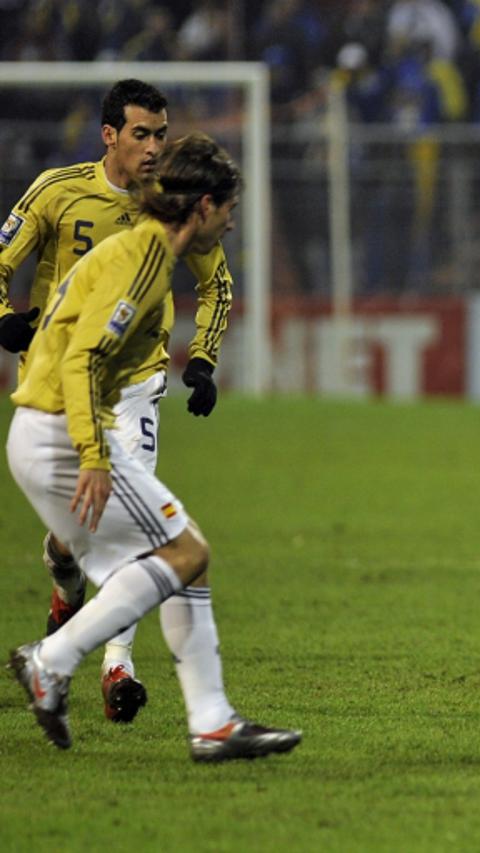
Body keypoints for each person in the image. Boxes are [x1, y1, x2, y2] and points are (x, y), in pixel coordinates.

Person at [6, 132, 301, 762]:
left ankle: (212, 721)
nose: (230, 221)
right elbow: (83, 358)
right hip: (58, 433)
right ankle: (52, 661)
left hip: (54, 429)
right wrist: (92, 454)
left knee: (183, 552)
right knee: (185, 551)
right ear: (201, 208)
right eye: (227, 208)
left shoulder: (140, 250)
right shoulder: (142, 263)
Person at [0, 79, 234, 725]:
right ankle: (61, 618)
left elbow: (217, 285)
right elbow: (1, 261)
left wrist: (205, 357)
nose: (155, 146)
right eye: (142, 133)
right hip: (64, 385)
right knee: (83, 543)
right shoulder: (58, 191)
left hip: (133, 385)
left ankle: (117, 666)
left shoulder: (175, 205)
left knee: (155, 536)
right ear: (110, 135)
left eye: (162, 133)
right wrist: (4, 318)